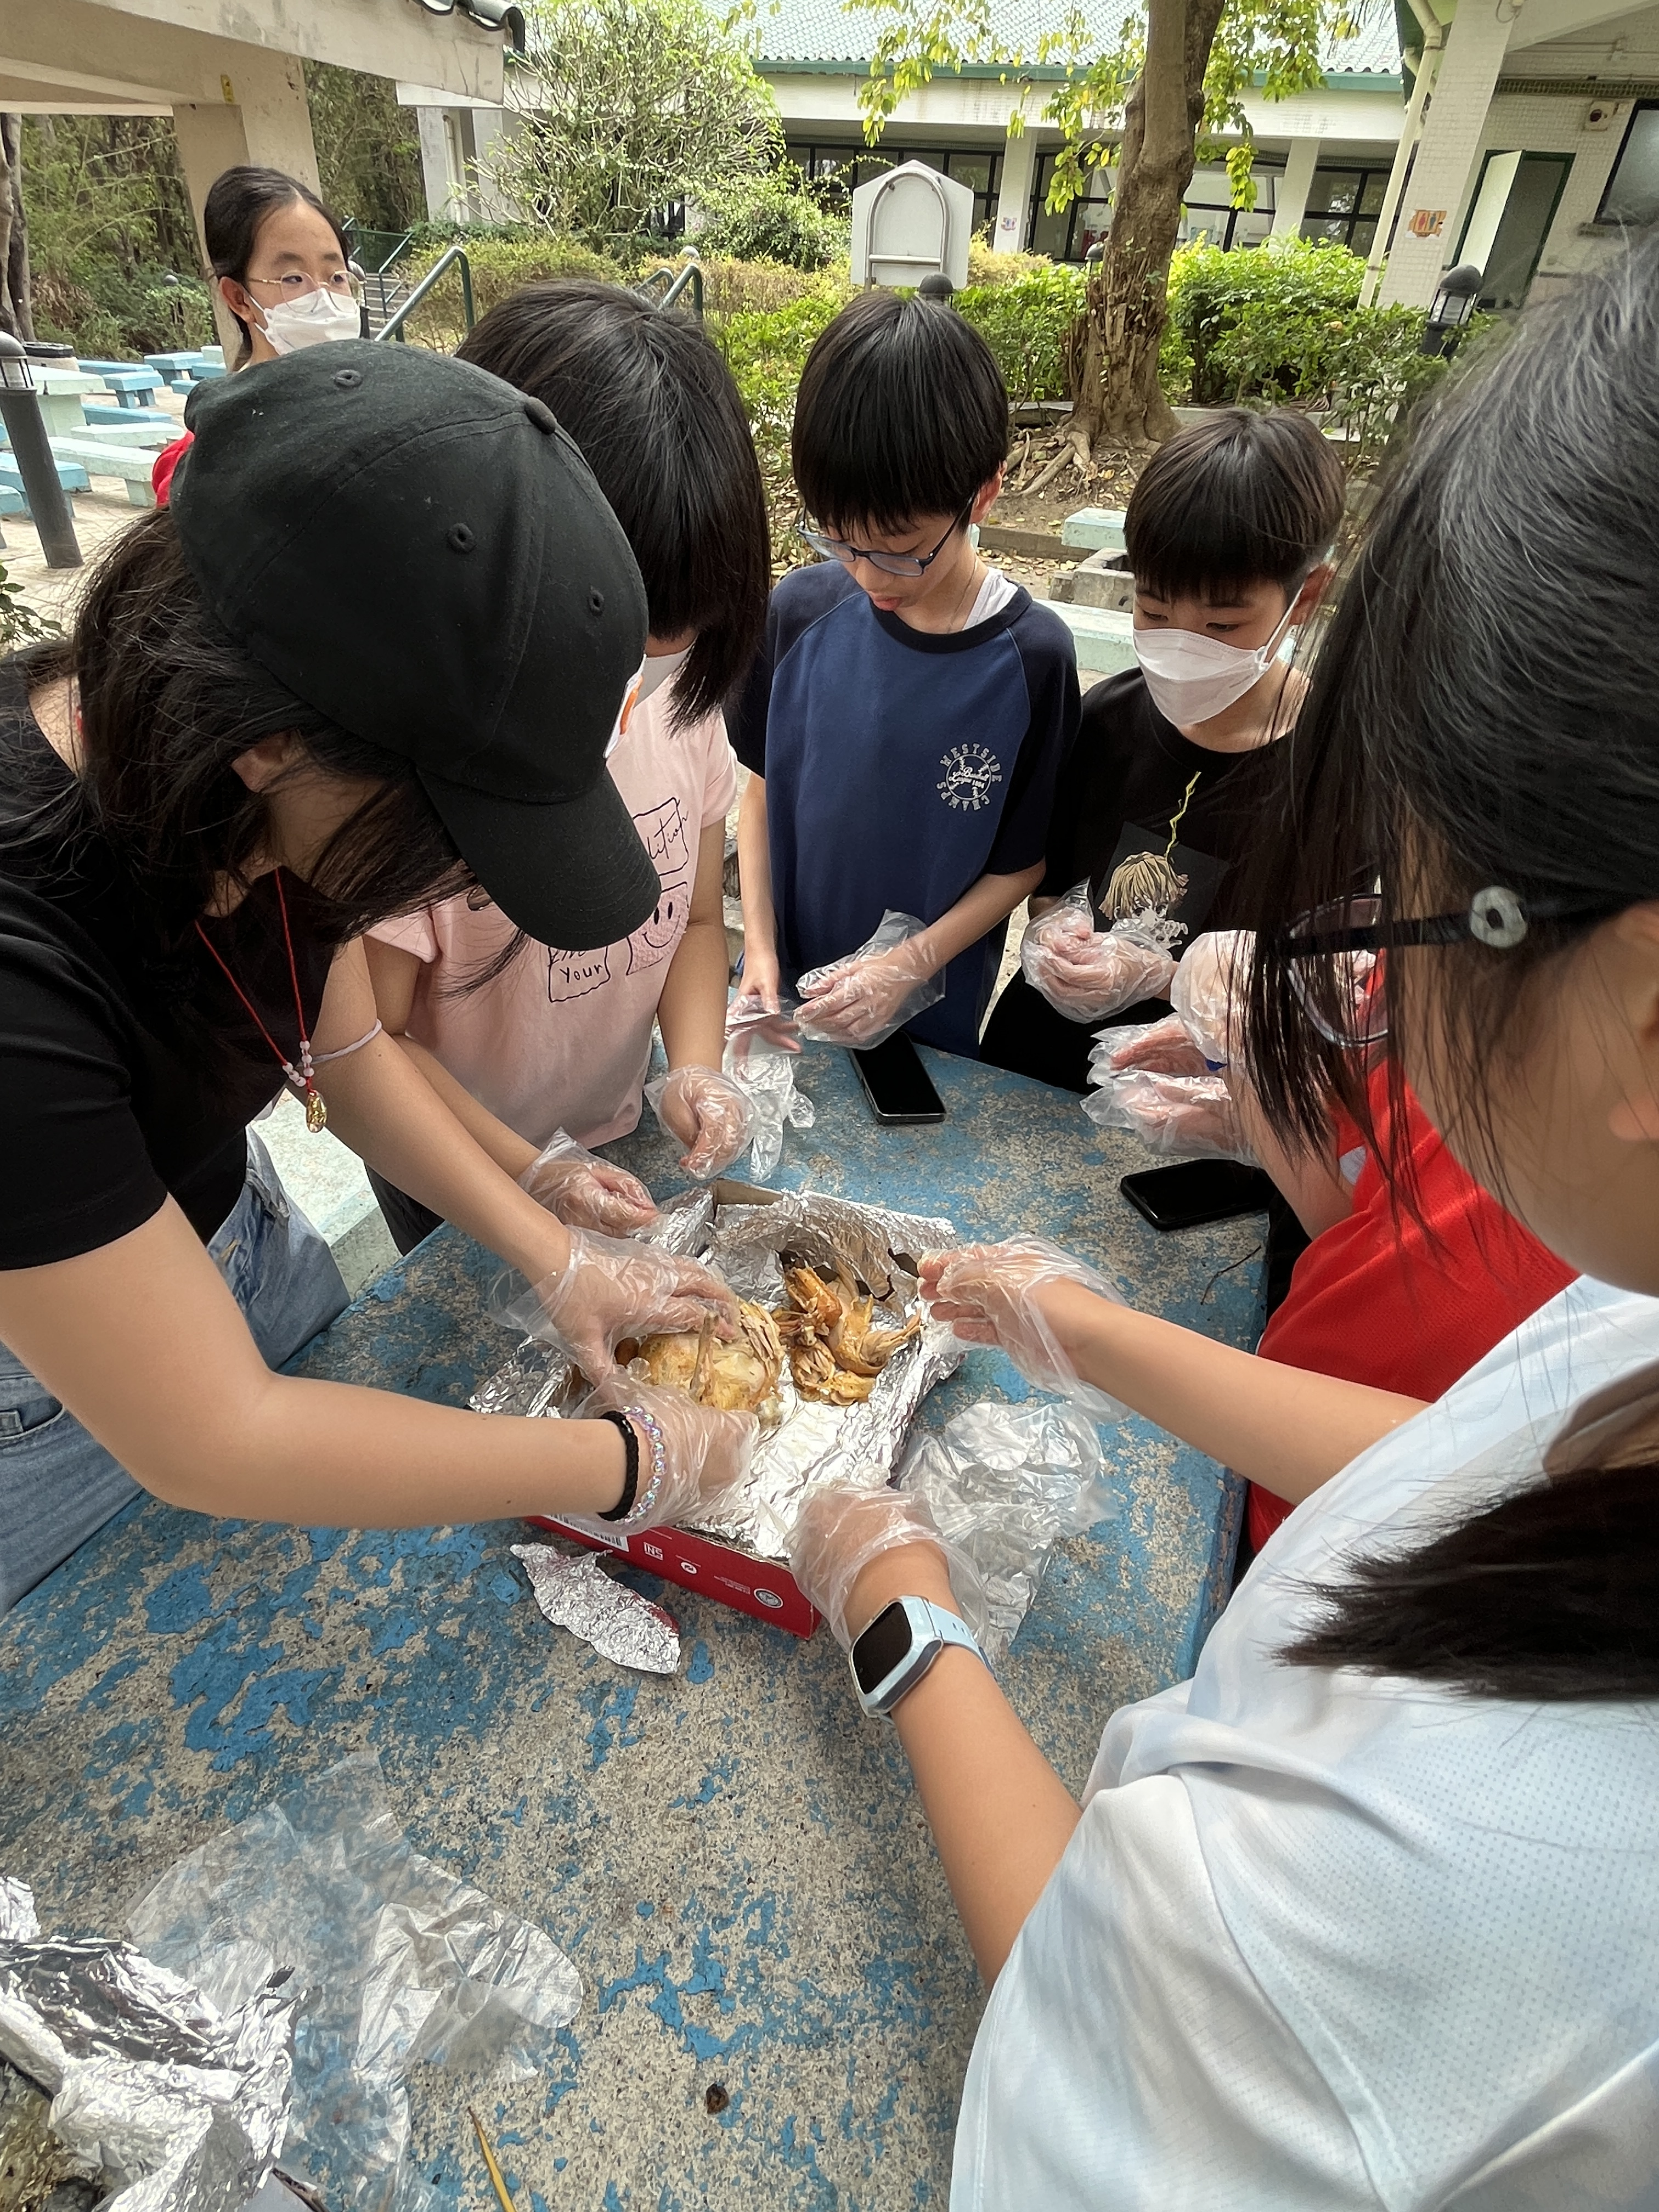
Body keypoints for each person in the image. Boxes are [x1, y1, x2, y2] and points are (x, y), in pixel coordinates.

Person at [788, 241, 1659, 2204]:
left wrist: (899, 1601)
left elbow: (1093, 2030)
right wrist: (1086, 1324)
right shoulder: (1625, 1308)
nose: (1363, 976)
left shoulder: (1451, 1877)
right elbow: (1461, 1454)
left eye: (1403, 913)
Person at [0, 340, 755, 1618]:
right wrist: (632, 1460)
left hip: (245, 1244)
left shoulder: (254, 783)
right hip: (46, 1397)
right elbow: (215, 1434)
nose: (454, 875)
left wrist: (558, 1252)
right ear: (271, 742)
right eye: (449, 826)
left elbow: (345, 1055)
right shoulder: (25, 968)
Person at [362, 281, 770, 1255]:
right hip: (451, 1166)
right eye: (616, 651)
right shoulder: (400, 769)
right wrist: (530, 1171)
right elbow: (368, 1043)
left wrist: (695, 1067)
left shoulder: (680, 702)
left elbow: (695, 920)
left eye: (675, 648)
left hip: (613, 1133)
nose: (638, 691)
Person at [729, 292, 1079, 1059]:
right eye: (838, 539)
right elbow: (758, 794)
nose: (867, 575)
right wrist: (758, 946)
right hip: (780, 997)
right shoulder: (798, 612)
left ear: (983, 493)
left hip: (928, 1028)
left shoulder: (1033, 661)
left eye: (899, 548)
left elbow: (1022, 863)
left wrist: (909, 965)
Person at [980, 408, 1342, 1093]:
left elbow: (1326, 986)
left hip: (1196, 1098)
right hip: (1039, 1062)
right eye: (1153, 612)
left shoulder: (1336, 772)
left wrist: (1166, 977)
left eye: (1222, 625)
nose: (1182, 645)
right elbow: (1053, 885)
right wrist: (1058, 939)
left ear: (1305, 597)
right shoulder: (1105, 719)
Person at [151, 166, 359, 504]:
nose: (323, 297)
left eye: (336, 277)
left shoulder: (384, 407)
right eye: (293, 279)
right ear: (239, 298)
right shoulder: (206, 468)